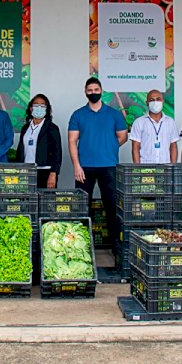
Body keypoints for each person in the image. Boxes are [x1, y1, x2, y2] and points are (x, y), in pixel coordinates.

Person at [68, 77, 128, 267]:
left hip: (109, 166)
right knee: (82, 209)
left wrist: (107, 147)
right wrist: (77, 166)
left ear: (102, 90)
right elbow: (72, 141)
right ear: (85, 92)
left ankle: (116, 250)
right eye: (90, 90)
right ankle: (81, 249)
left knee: (112, 209)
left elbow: (122, 136)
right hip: (84, 168)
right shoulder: (78, 115)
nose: (93, 92)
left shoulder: (114, 114)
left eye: (96, 89)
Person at [15, 94, 62, 188]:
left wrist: (53, 174)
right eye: (36, 105)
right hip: (26, 171)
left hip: (45, 171)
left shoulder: (52, 128)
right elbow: (20, 149)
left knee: (45, 201)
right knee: (28, 201)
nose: (39, 108)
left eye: (42, 105)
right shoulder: (25, 128)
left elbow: (57, 153)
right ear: (31, 108)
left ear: (47, 108)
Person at [129, 89, 180, 164]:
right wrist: (138, 168)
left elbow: (173, 146)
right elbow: (135, 148)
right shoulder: (139, 122)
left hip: (165, 167)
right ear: (147, 103)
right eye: (152, 100)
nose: (155, 102)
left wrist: (172, 167)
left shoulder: (170, 122)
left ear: (163, 101)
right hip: (145, 168)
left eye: (158, 99)